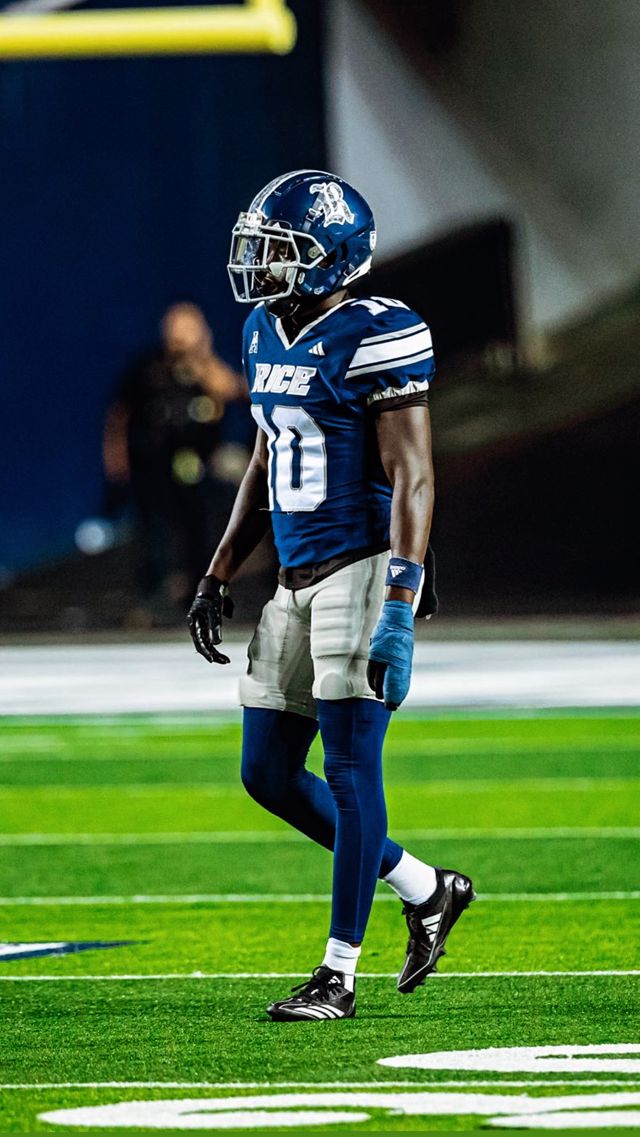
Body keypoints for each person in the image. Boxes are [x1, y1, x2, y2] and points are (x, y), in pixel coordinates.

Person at [187, 170, 474, 1022]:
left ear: (333, 257)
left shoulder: (377, 332)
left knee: (350, 769)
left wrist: (401, 602)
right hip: (293, 576)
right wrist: (218, 570)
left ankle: (338, 973)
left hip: (363, 566)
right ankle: (426, 887)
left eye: (281, 249)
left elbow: (413, 474)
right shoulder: (261, 330)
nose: (262, 263)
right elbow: (267, 458)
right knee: (267, 773)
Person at [103, 302, 248, 618]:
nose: (181, 335)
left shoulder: (206, 368)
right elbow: (120, 414)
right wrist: (116, 458)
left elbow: (236, 391)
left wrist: (203, 358)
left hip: (196, 464)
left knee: (196, 525)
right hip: (152, 463)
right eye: (176, 327)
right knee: (151, 529)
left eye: (190, 327)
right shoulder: (148, 367)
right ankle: (150, 594)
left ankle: (198, 591)